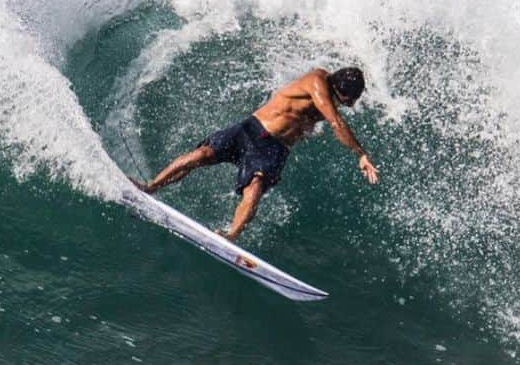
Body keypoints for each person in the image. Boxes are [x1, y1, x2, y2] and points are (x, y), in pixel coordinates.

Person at [134, 66, 379, 241]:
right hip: (251, 128)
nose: (350, 104)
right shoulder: (317, 81)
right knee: (201, 155)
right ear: (337, 88)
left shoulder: (332, 97)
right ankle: (150, 187)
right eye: (349, 99)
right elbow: (335, 123)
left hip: (274, 148)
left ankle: (231, 236)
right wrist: (360, 153)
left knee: (255, 186)